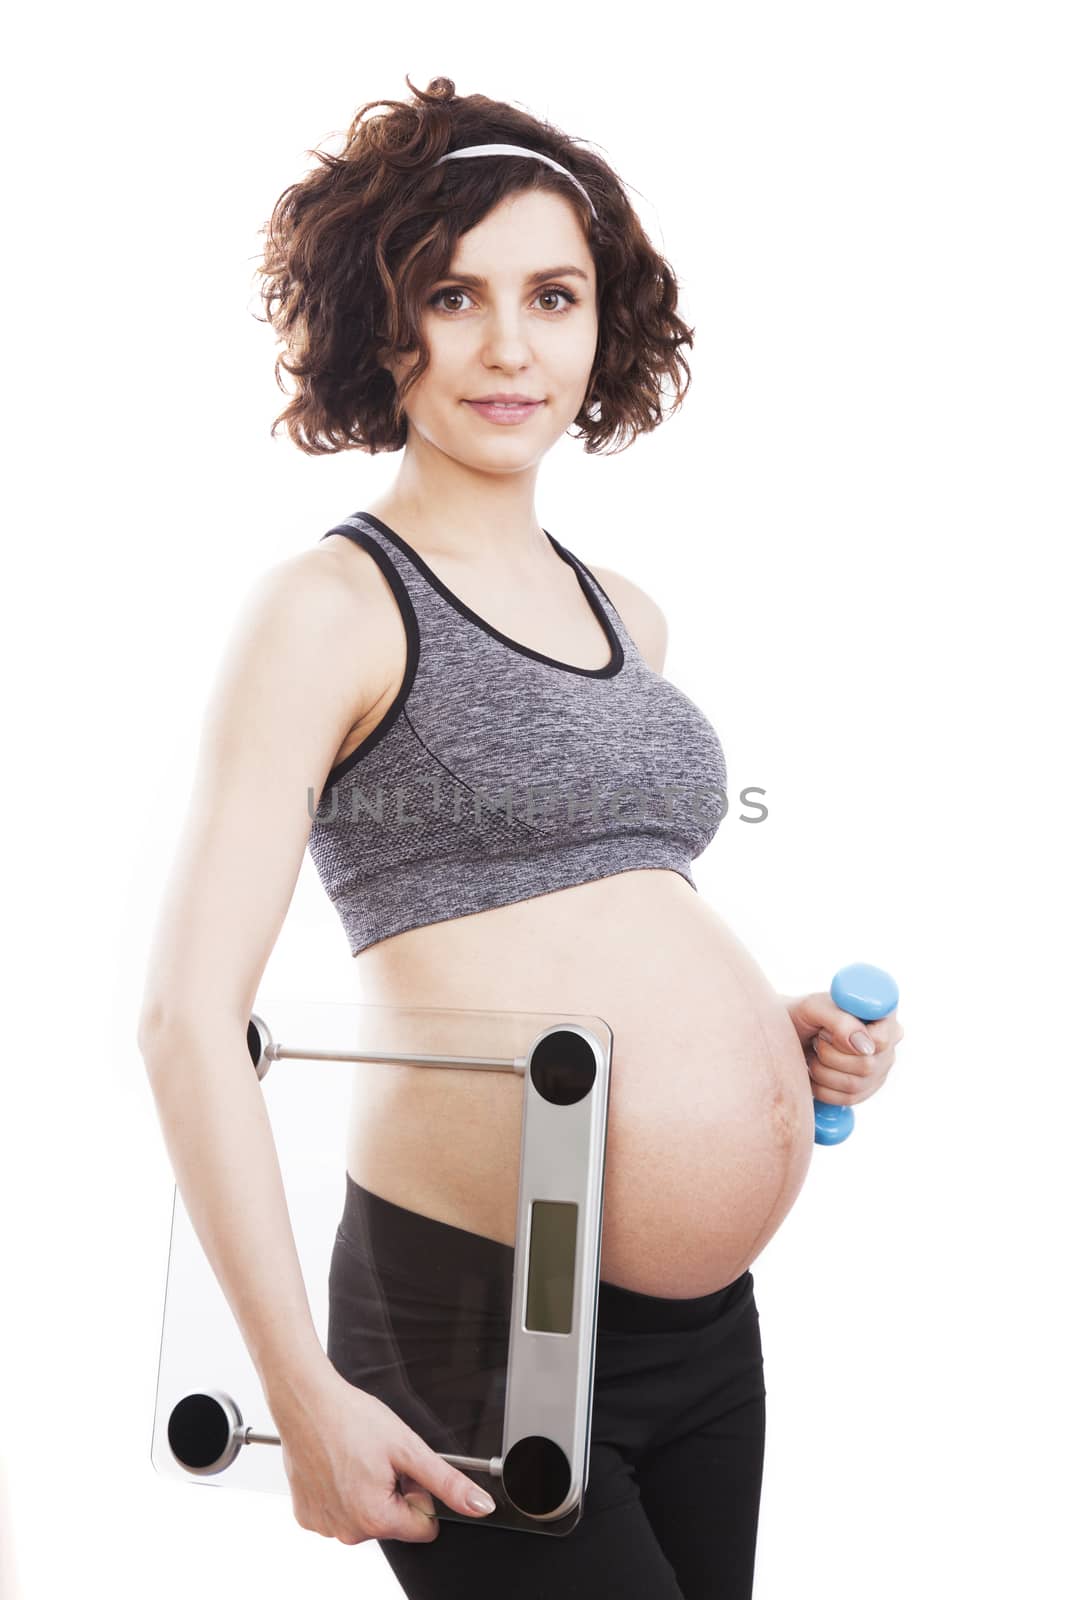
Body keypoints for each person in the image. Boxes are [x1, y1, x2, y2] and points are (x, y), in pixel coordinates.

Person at [138, 73, 902, 1599]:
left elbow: (598, 912)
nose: (509, 345)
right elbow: (184, 1018)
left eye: (552, 296)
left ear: (599, 323)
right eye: (452, 295)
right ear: (383, 327)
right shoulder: (333, 607)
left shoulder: (630, 614)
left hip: (702, 1333)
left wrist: (773, 1035)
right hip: (475, 1321)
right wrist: (296, 1383)